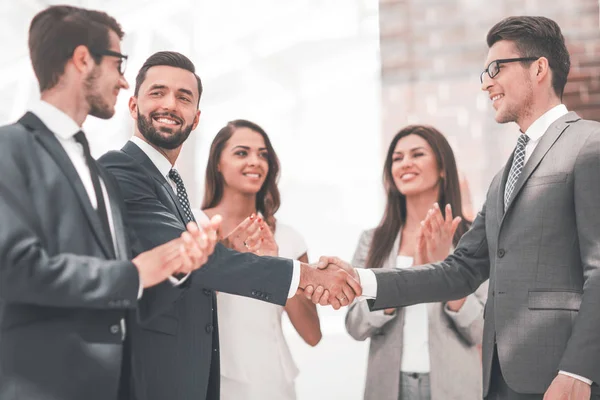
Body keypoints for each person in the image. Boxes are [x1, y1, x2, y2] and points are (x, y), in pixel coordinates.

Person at [312, 16, 600, 400]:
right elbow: (460, 269)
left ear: (539, 69)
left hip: (561, 379)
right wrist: (361, 280)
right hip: (499, 381)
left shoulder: (589, 145)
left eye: (496, 68)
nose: (486, 83)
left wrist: (579, 370)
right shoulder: (503, 178)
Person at [98, 51, 359, 400]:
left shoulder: (171, 186)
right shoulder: (122, 170)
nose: (171, 104)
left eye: (184, 97)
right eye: (157, 92)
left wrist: (229, 250)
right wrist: (308, 275)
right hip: (156, 379)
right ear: (133, 106)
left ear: (196, 117)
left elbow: (188, 270)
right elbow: (187, 261)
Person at [0, 6, 217, 400]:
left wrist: (175, 268)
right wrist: (133, 275)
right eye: (118, 65)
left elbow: (125, 303)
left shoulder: (98, 172)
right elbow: (14, 269)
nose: (122, 82)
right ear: (83, 59)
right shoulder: (8, 148)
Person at [345, 125, 486, 400]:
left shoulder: (473, 238)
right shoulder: (371, 241)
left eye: (417, 154)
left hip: (454, 386)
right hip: (387, 387)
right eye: (397, 158)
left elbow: (482, 329)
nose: (405, 163)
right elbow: (355, 326)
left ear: (443, 168)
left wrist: (446, 270)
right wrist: (414, 277)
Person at [199, 119, 321, 400]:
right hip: (209, 380)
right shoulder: (193, 225)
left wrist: (278, 271)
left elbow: (312, 334)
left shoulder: (290, 239)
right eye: (242, 152)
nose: (255, 161)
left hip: (272, 384)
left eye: (263, 154)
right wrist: (225, 257)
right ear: (217, 163)